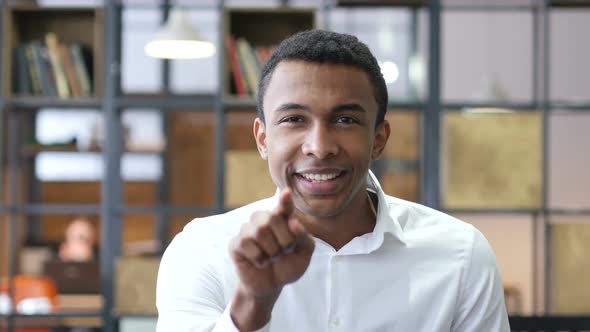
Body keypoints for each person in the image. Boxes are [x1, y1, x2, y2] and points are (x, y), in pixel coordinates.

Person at [156, 29, 510, 332]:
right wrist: (251, 305)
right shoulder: (201, 251)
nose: (319, 147)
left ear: (378, 138)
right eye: (294, 119)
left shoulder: (462, 256)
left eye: (344, 120)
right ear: (263, 139)